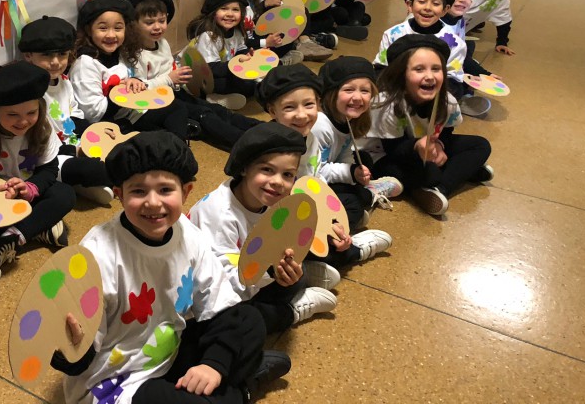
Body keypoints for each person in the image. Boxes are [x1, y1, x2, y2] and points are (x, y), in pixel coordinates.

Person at [51, 132, 291, 403]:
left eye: (165, 190)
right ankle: (243, 388)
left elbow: (220, 305)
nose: (153, 202)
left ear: (186, 191)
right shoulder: (97, 253)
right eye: (138, 191)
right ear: (119, 195)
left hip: (167, 353)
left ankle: (223, 379)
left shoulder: (188, 234)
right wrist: (70, 348)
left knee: (249, 319)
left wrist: (212, 365)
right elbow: (78, 357)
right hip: (113, 382)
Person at [189, 122, 339, 335]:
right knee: (245, 323)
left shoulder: (268, 197)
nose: (278, 182)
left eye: (288, 175)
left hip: (252, 274)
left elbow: (281, 238)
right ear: (244, 168)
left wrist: (286, 264)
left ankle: (299, 277)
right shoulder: (219, 213)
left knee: (292, 279)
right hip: (213, 292)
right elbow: (225, 285)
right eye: (267, 170)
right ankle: (291, 311)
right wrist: (272, 271)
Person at [257, 65, 392, 271]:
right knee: (310, 253)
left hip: (304, 209)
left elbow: (315, 179)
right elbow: (272, 206)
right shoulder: (271, 148)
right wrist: (320, 225)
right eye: (290, 107)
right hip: (277, 220)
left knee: (350, 208)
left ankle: (319, 259)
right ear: (272, 110)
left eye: (308, 105)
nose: (302, 115)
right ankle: (351, 253)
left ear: (318, 104)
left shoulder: (309, 137)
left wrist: (329, 220)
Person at [0, 62, 76, 266]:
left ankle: (13, 238)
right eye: (12, 115)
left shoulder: (42, 126)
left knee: (65, 194)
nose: (23, 122)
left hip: (28, 195)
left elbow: (49, 169)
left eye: (31, 113)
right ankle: (36, 228)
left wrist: (29, 188)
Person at [364, 35, 493, 217]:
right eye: (419, 69)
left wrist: (439, 145)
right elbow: (393, 149)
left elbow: (446, 130)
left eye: (436, 69)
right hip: (386, 152)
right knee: (429, 173)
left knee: (481, 145)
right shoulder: (386, 104)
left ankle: (439, 189)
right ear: (401, 73)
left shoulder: (447, 101)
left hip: (424, 145)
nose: (430, 76)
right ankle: (453, 174)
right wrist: (417, 147)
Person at [129, 0, 258, 150]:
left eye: (162, 21)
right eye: (149, 23)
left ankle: (260, 128)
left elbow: (171, 74)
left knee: (215, 109)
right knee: (204, 115)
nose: (157, 27)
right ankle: (249, 144)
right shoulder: (133, 54)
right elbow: (139, 90)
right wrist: (170, 79)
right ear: (133, 24)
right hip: (153, 103)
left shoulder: (162, 43)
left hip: (171, 92)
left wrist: (178, 79)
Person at [69, 0, 193, 141]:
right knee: (159, 140)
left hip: (130, 114)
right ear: (89, 30)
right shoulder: (85, 64)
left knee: (177, 108)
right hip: (108, 125)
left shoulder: (120, 53)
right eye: (103, 28)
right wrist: (120, 93)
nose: (111, 35)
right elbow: (93, 114)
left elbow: (133, 80)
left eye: (118, 28)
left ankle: (179, 147)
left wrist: (134, 81)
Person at [19, 16, 113, 205]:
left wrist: (94, 135)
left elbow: (74, 118)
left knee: (115, 145)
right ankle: (78, 179)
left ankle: (80, 180)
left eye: (62, 54)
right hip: (47, 157)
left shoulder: (64, 81)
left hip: (70, 144)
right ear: (28, 56)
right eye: (46, 55)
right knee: (95, 169)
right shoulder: (28, 92)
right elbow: (39, 141)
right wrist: (74, 150)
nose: (55, 62)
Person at [310, 57, 403, 216]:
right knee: (353, 201)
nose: (358, 97)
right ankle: (369, 195)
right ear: (332, 93)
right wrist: (350, 173)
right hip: (313, 179)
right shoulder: (321, 125)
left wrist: (354, 171)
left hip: (329, 166)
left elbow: (344, 151)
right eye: (349, 90)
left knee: (364, 159)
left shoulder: (347, 117)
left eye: (365, 91)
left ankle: (363, 193)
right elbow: (316, 172)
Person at [434, 0, 494, 117]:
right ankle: (457, 100)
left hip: (449, 61)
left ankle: (461, 92)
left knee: (469, 46)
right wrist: (474, 74)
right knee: (454, 85)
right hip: (433, 72)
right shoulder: (436, 27)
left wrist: (483, 74)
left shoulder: (458, 20)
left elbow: (460, 53)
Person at [185, 0, 256, 109]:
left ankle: (218, 97)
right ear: (213, 12)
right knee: (243, 84)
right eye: (223, 9)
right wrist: (238, 63)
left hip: (220, 69)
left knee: (249, 83)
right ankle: (212, 99)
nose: (230, 14)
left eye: (235, 9)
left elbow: (240, 49)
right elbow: (210, 69)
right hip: (197, 77)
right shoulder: (208, 36)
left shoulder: (237, 32)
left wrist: (247, 56)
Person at [374, 0, 455, 68]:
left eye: (436, 3)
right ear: (410, 5)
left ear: (445, 9)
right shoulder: (392, 35)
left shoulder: (453, 42)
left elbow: (453, 74)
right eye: (421, 1)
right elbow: (381, 66)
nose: (427, 8)